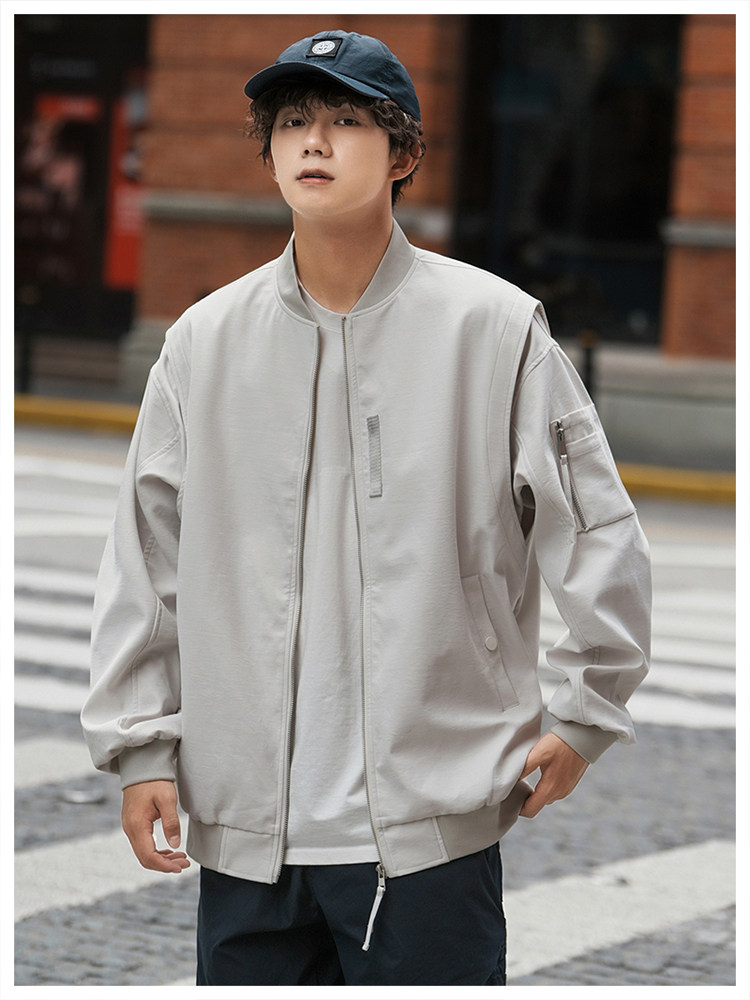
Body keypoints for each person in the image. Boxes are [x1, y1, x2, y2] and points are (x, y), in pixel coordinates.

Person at [81, 28, 651, 986]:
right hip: (246, 840)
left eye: (346, 120)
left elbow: (595, 527)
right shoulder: (203, 343)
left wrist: (587, 711)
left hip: (429, 836)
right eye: (292, 122)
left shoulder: (493, 328)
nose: (313, 141)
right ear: (269, 152)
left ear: (404, 154)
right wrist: (141, 750)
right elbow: (146, 558)